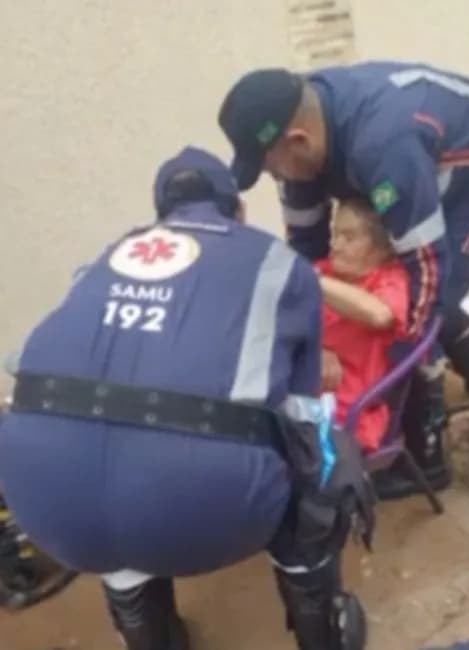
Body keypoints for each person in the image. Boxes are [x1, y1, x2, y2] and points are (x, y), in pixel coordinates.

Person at [0, 147, 373, 650]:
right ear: (237, 211)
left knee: (97, 459)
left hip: (45, 502)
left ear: (161, 216)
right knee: (319, 450)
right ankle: (321, 625)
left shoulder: (106, 258)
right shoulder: (278, 264)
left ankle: (151, 636)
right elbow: (301, 407)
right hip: (200, 508)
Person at [217, 62, 469, 499]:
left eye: (272, 168)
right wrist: (314, 340)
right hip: (410, 157)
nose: (275, 178)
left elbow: (428, 264)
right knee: (392, 291)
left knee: (429, 300)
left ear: (297, 141)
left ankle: (430, 453)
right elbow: (306, 255)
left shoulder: (381, 147)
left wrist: (390, 366)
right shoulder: (305, 144)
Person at [317, 198, 411, 453]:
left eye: (349, 238)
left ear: (381, 249)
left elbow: (379, 314)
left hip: (346, 416)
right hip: (295, 398)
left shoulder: (390, 280)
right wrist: (314, 352)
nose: (336, 246)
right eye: (335, 234)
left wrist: (313, 282)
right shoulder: (321, 270)